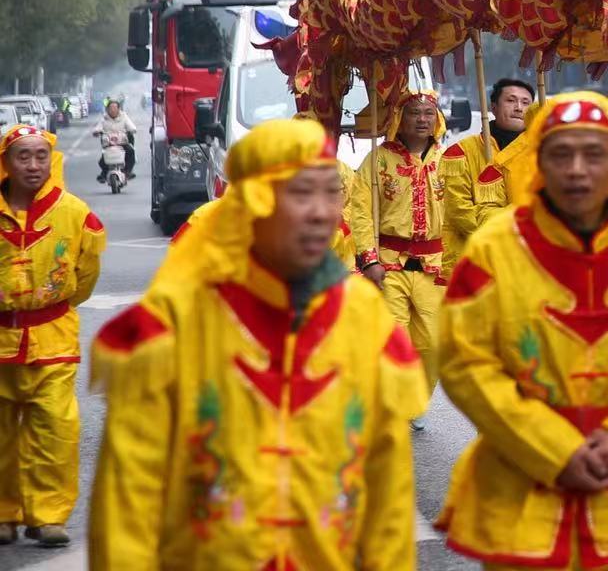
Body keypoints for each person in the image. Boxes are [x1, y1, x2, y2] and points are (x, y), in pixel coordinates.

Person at [88, 116, 425, 567]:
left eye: (331, 192)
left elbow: (389, 498)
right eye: (301, 193)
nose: (323, 212)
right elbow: (128, 504)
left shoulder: (366, 320)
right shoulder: (171, 327)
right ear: (251, 204)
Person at [433, 90, 608, 569]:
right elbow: (464, 361)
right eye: (561, 153)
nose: (577, 169)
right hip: (519, 494)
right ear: (538, 162)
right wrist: (552, 447)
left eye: (594, 153)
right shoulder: (495, 248)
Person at [0, 125, 103, 548]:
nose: (33, 165)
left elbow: (86, 275)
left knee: (57, 429)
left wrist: (49, 305)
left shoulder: (76, 213)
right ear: (6, 162)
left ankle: (49, 515)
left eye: (41, 155)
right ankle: (4, 513)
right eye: (23, 156)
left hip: (54, 338)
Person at [353, 88, 447, 405]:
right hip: (389, 263)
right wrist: (369, 260)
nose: (421, 119)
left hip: (436, 266)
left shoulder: (450, 159)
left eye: (428, 113)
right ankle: (396, 403)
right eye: (413, 113)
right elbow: (360, 210)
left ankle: (418, 396)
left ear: (437, 119)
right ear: (400, 119)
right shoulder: (379, 159)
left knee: (435, 342)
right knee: (395, 339)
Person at [439, 76, 535, 262]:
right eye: (511, 100)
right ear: (493, 107)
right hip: (475, 259)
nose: (519, 108)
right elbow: (459, 211)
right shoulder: (460, 153)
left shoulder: (543, 154)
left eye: (526, 103)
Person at [88, 99, 134, 181]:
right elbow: (98, 127)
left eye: (115, 108)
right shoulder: (104, 119)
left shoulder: (124, 117)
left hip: (122, 143)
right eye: (111, 108)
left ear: (119, 109)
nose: (113, 110)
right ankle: (104, 173)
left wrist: (131, 130)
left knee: (130, 152)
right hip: (109, 144)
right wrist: (96, 132)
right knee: (102, 161)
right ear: (107, 109)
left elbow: (131, 126)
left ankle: (128, 172)